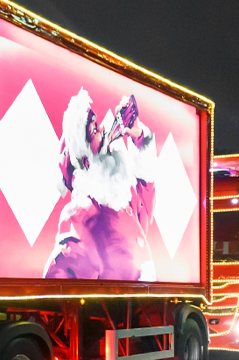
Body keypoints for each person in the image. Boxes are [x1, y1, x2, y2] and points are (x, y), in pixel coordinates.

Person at [44, 89, 159, 281]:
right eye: (94, 129)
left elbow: (147, 188)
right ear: (86, 161)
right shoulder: (82, 215)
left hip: (139, 304)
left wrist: (138, 134)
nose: (104, 130)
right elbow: (61, 272)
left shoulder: (122, 197)